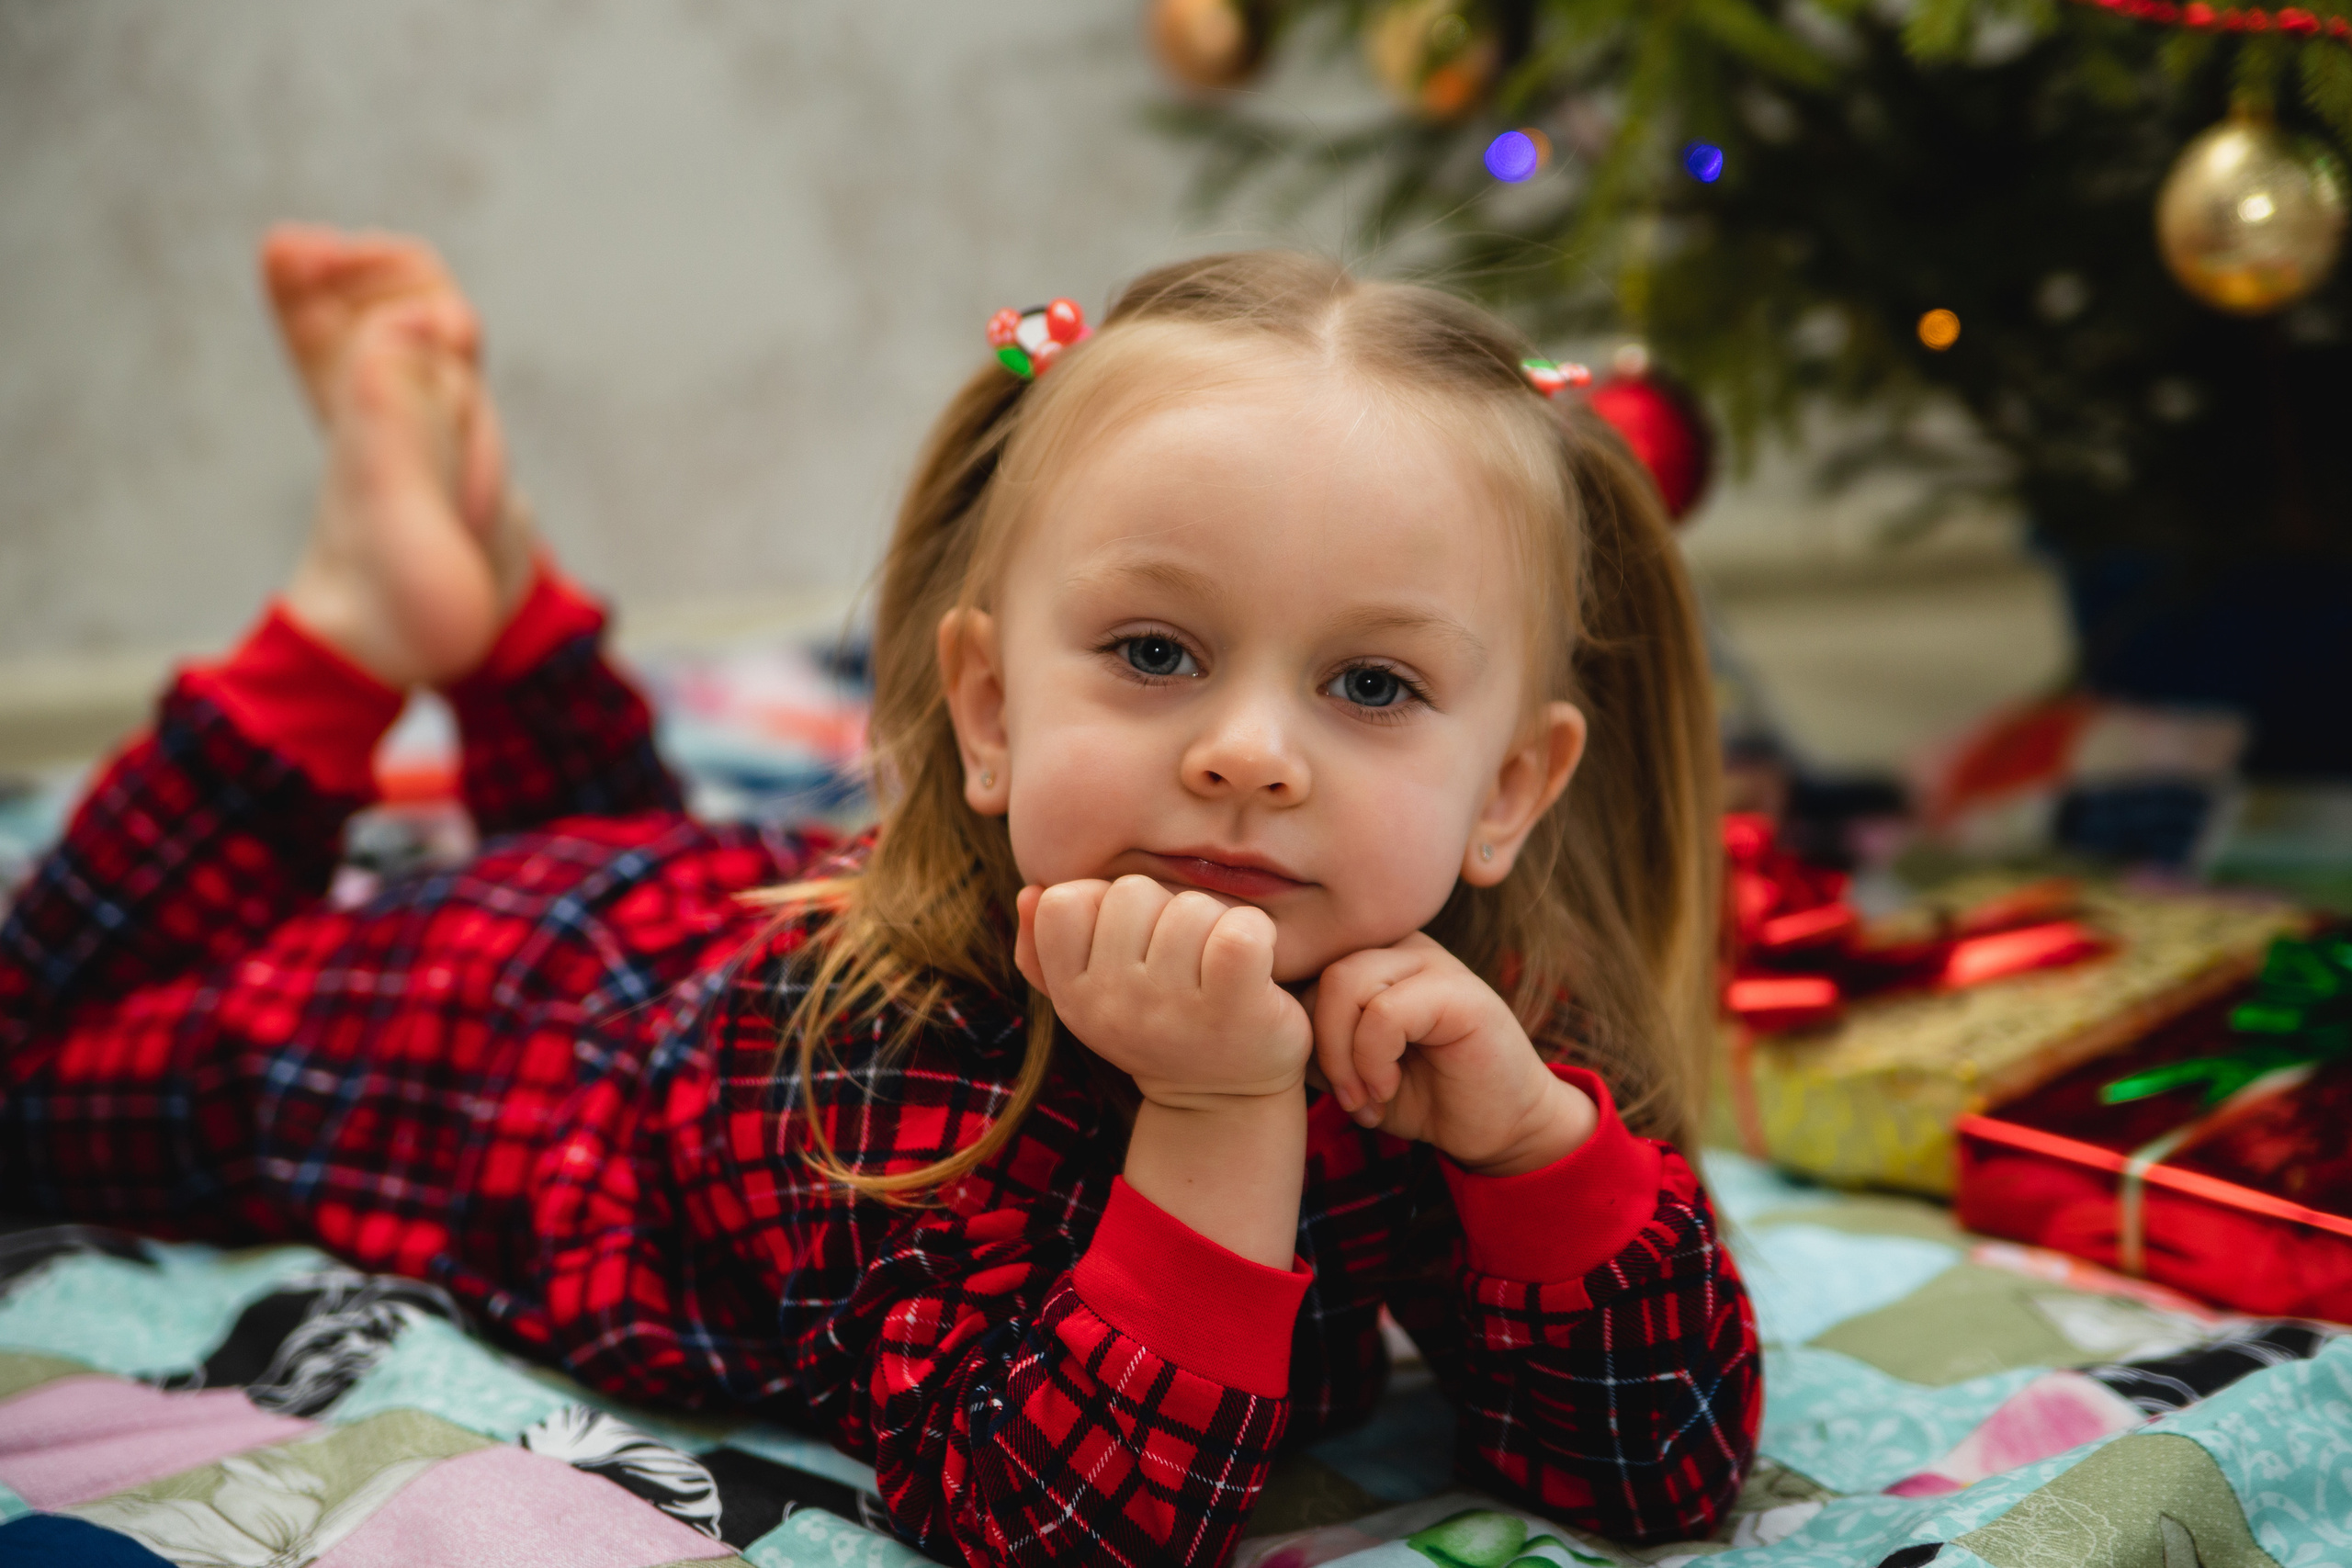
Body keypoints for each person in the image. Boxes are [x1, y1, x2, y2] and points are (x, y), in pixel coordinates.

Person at [0, 227, 1760, 1562]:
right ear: (989, 711)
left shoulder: (1476, 1019)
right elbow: (1050, 1525)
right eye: (1155, 651)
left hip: (686, 927)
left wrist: (1536, 1149)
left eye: (1371, 687)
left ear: (1511, 787)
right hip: (477, 1042)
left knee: (636, 849)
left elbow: (1658, 1468)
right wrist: (1217, 1107)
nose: (1250, 754)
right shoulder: (898, 1058)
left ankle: (504, 617)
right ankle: (356, 633)